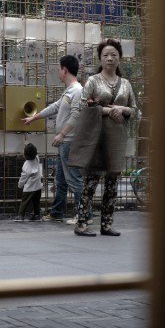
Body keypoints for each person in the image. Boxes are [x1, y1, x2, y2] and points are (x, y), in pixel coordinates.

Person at [71, 39, 138, 238]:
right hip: (96, 138)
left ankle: (107, 224)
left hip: (117, 139)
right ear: (100, 59)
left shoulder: (126, 84)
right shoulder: (93, 81)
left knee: (112, 184)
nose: (110, 58)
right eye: (105, 55)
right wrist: (109, 111)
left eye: (114, 55)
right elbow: (83, 106)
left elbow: (135, 111)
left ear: (119, 59)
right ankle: (81, 224)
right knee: (91, 182)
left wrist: (123, 109)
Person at [22, 55, 83, 222]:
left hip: (69, 141)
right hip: (65, 141)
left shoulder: (77, 91)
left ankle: (84, 215)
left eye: (58, 69)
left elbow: (77, 115)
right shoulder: (69, 91)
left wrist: (62, 134)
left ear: (65, 70)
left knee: (73, 178)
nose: (58, 72)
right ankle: (57, 213)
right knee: (61, 180)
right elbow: (55, 107)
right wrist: (34, 118)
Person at [14, 142, 43, 221]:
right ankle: (37, 215)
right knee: (36, 202)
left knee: (25, 202)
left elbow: (23, 177)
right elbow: (34, 151)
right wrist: (27, 144)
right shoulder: (37, 158)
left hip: (29, 188)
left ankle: (21, 215)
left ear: (25, 155)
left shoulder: (26, 165)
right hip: (38, 186)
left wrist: (20, 185)